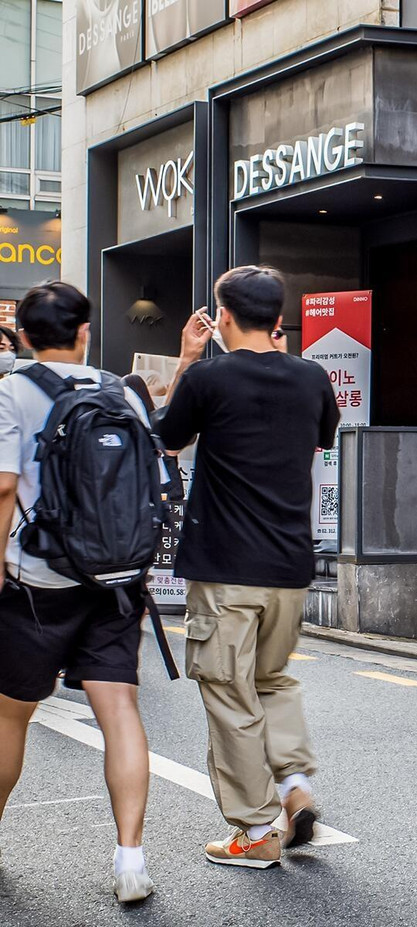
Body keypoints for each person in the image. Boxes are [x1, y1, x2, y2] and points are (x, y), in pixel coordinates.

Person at [157, 266, 340, 869]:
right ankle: (294, 788)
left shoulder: (209, 377)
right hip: (290, 565)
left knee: (229, 693)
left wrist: (187, 357)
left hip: (227, 568)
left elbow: (167, 438)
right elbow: (322, 437)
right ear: (278, 320)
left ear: (224, 317)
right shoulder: (312, 379)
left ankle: (256, 831)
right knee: (273, 680)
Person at [0, 282, 156, 902]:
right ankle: (131, 861)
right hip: (117, 579)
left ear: (24, 336)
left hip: (36, 582)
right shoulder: (122, 393)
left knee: (11, 715)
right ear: (85, 332)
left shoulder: (12, 391)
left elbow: (5, 488)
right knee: (119, 710)